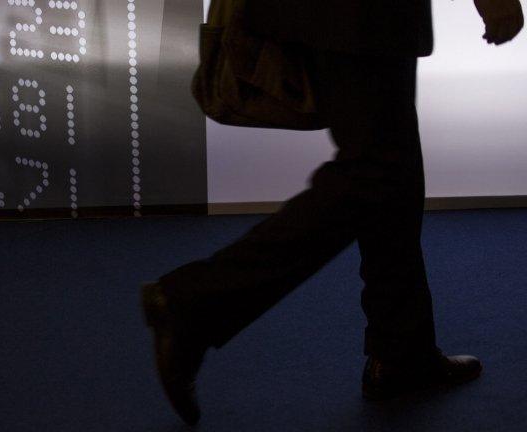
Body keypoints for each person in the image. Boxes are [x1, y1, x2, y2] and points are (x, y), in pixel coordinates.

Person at [140, 0, 524, 426]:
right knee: (375, 171)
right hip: (360, 15)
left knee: (390, 170)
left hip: (337, 15)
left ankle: (401, 353)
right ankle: (193, 303)